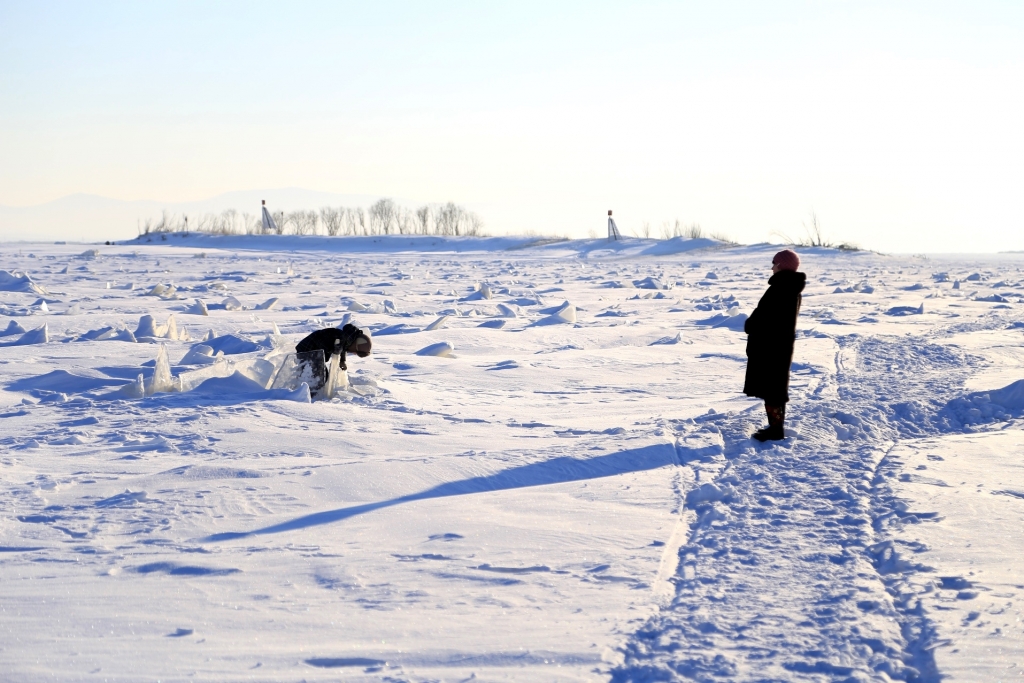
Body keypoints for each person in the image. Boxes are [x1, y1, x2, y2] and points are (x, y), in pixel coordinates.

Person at [743, 249, 805, 441]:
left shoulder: (780, 288)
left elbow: (765, 317)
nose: (772, 267)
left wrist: (750, 324)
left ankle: (776, 430)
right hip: (778, 345)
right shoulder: (789, 288)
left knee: (772, 389)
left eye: (774, 263)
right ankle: (775, 428)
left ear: (782, 265)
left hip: (771, 346)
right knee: (774, 388)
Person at [294, 323, 372, 393]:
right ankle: (306, 393)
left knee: (322, 375)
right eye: (356, 352)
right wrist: (330, 352)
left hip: (314, 351)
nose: (354, 353)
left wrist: (342, 361)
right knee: (318, 375)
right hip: (307, 349)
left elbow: (343, 349)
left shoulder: (346, 339)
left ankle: (310, 391)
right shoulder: (340, 338)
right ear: (355, 345)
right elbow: (321, 345)